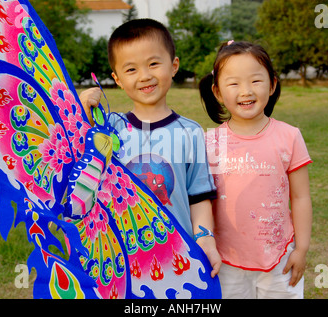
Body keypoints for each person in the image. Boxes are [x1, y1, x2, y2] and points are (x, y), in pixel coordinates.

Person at [80, 19, 221, 278]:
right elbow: (77, 155)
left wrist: (205, 238)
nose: (145, 76)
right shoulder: (108, 128)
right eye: (131, 69)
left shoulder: (190, 133)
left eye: (153, 64)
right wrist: (82, 109)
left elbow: (198, 197)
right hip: (119, 257)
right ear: (117, 79)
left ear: (174, 65)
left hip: (178, 257)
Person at [199, 41, 313, 298]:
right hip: (224, 261)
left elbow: (301, 197)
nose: (246, 91)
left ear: (272, 84)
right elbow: (200, 200)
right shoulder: (208, 143)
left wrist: (301, 249)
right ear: (217, 92)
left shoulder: (289, 136)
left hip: (279, 258)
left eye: (255, 81)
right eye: (234, 83)